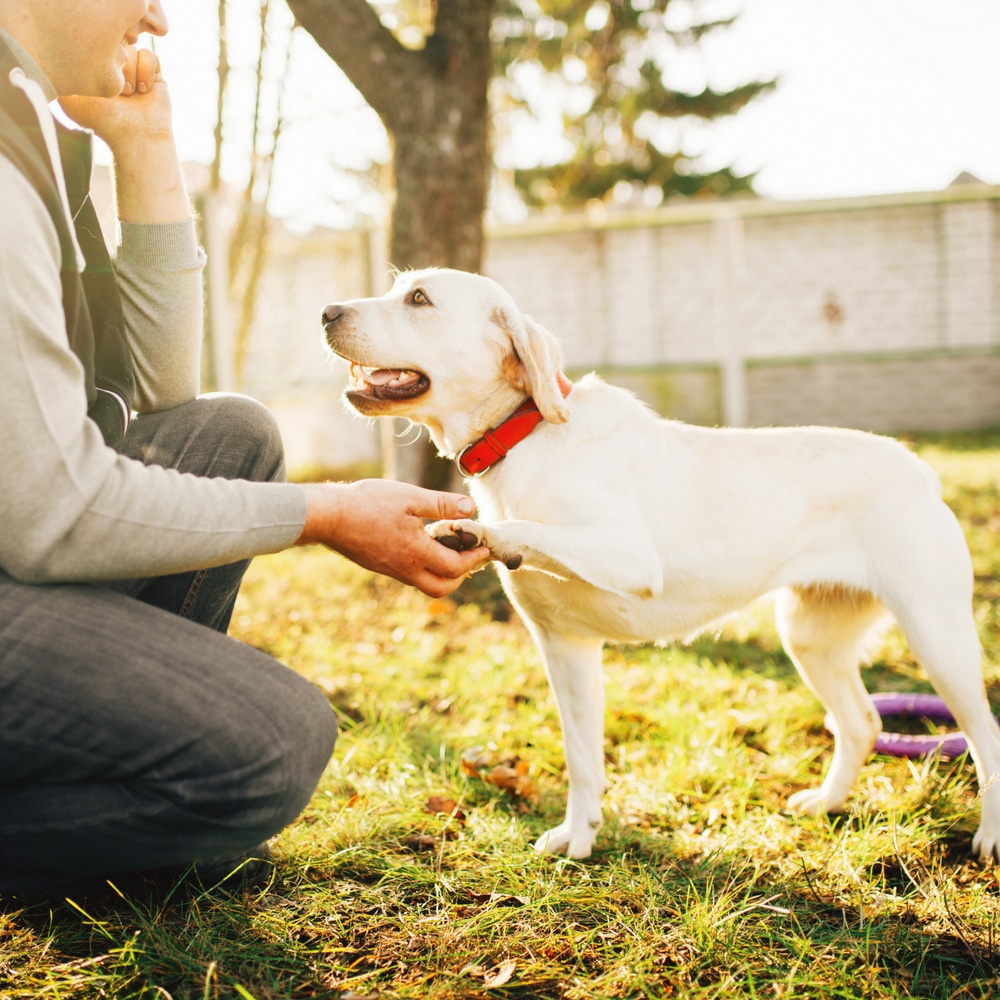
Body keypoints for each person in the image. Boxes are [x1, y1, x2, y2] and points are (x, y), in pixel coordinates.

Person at [0, 0, 487, 896]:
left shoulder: (32, 128)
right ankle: (155, 811)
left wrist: (146, 154)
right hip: (24, 539)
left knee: (231, 433)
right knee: (275, 742)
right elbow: (51, 514)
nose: (157, 18)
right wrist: (329, 514)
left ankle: (130, 813)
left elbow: (159, 400)